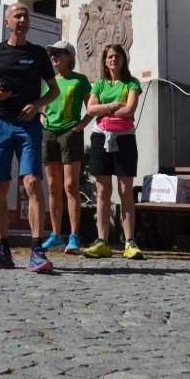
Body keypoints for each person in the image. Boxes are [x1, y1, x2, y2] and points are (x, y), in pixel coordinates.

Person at [0, 2, 60, 272]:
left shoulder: (38, 54)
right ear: (7, 22)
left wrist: (36, 105)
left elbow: (54, 90)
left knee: (32, 182)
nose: (22, 19)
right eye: (17, 15)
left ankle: (37, 250)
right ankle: (3, 250)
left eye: (26, 16)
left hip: (28, 125)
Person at [84, 43, 143, 261]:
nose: (113, 59)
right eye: (109, 56)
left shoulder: (132, 83)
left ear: (123, 60)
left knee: (125, 190)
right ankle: (102, 241)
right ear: (104, 61)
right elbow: (91, 109)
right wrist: (115, 105)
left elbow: (130, 109)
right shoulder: (99, 84)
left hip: (125, 138)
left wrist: (105, 109)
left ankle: (129, 241)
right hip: (101, 137)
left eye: (117, 56)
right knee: (102, 190)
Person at [40, 40, 92, 256]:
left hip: (70, 135)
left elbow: (91, 107)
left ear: (69, 56)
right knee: (53, 187)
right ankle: (55, 235)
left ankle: (74, 237)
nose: (53, 56)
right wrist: (43, 121)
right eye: (51, 53)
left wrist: (81, 126)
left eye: (58, 53)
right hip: (49, 134)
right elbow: (44, 106)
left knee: (70, 186)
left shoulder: (80, 80)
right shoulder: (50, 82)